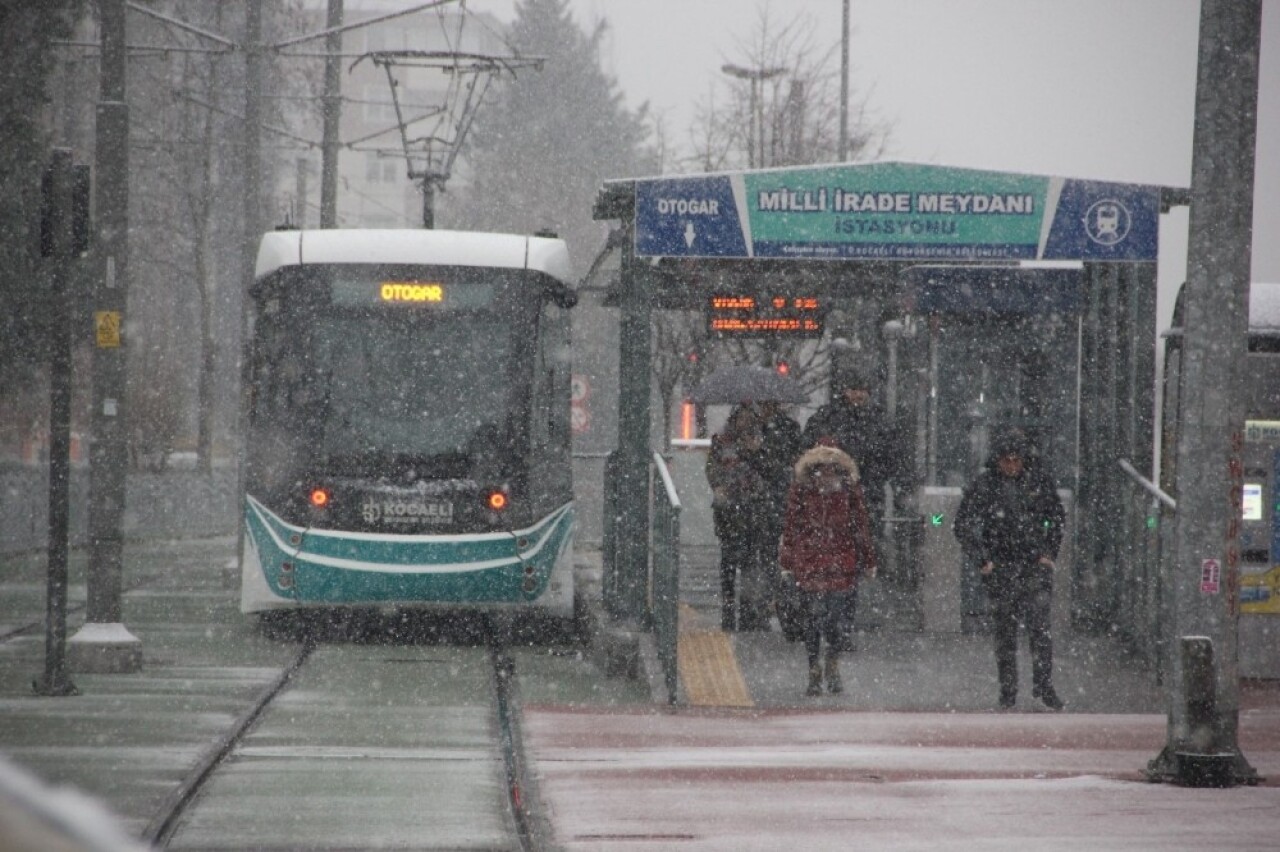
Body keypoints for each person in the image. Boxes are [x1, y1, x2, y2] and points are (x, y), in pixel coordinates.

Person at [954, 429, 1066, 711]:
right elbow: (963, 524)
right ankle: (1011, 689)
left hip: (1028, 565)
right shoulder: (987, 486)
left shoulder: (1033, 483)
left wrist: (1047, 553)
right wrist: (984, 559)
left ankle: (1040, 685)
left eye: (1016, 461)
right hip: (1003, 566)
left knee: (1038, 628)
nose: (1012, 466)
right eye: (1007, 461)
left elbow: (1056, 518)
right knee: (1007, 631)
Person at [779, 443, 877, 696]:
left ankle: (828, 663)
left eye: (831, 468)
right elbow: (792, 525)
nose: (826, 474)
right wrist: (788, 559)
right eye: (821, 469)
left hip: (832, 558)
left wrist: (867, 558)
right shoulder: (804, 490)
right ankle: (817, 667)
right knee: (815, 618)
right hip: (816, 559)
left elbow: (860, 525)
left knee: (832, 618)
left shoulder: (845, 490)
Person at [800, 367, 906, 528]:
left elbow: (893, 460)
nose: (859, 395)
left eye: (863, 389)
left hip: (864, 495)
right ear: (845, 391)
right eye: (855, 389)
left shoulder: (877, 422)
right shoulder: (829, 418)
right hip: (840, 494)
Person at [706, 404, 772, 631]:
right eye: (740, 418)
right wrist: (718, 485)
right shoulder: (721, 441)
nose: (744, 422)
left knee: (751, 559)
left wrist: (756, 453)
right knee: (728, 558)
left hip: (753, 507)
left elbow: (768, 470)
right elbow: (712, 467)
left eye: (748, 418)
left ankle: (747, 607)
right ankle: (728, 602)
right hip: (727, 509)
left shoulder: (760, 440)